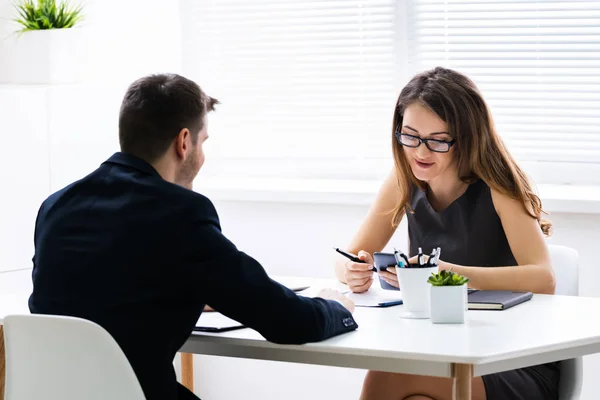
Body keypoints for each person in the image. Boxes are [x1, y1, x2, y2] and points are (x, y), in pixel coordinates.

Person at [29, 73, 357, 400]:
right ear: (184, 142)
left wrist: (196, 292)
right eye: (204, 142)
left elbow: (106, 288)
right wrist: (335, 307)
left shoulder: (57, 206)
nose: (202, 155)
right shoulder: (180, 211)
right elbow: (288, 322)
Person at [334, 67, 558, 400]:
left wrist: (450, 275)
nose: (421, 153)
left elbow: (545, 279)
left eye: (438, 141)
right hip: (442, 350)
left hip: (510, 358)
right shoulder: (402, 181)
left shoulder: (499, 186)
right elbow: (348, 260)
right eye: (410, 136)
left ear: (466, 137)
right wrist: (355, 271)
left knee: (388, 375)